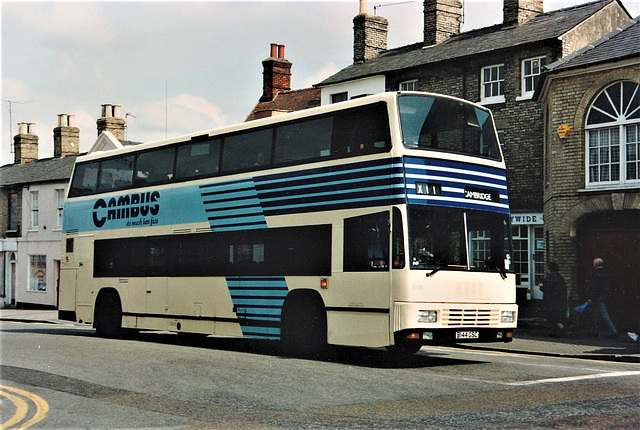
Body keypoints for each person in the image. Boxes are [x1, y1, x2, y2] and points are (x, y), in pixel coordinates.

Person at [587, 257, 619, 339]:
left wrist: (591, 298)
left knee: (603, 313)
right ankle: (594, 330)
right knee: (598, 313)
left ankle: (613, 331)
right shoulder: (608, 272)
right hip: (606, 296)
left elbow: (593, 287)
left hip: (599, 297)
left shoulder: (595, 273)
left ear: (595, 265)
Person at [539, 261, 567, 337]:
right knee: (557, 317)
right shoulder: (561, 277)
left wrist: (541, 286)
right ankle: (555, 332)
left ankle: (562, 329)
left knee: (552, 318)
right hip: (561, 301)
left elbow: (547, 287)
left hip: (551, 302)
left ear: (549, 270)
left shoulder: (550, 277)